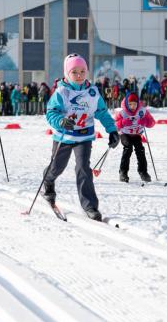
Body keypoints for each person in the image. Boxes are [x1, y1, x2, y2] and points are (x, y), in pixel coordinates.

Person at [41, 54, 119, 221]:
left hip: (84, 136)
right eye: (74, 72)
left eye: (82, 71)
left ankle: (90, 205)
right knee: (57, 167)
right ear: (67, 73)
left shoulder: (92, 92)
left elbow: (102, 112)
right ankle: (48, 181)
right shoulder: (62, 92)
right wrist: (61, 121)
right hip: (64, 136)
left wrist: (112, 130)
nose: (79, 75)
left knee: (83, 168)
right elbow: (51, 113)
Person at [114, 92, 155, 183]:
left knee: (140, 150)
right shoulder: (122, 112)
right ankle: (123, 172)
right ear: (126, 104)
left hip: (136, 135)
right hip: (125, 134)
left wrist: (145, 121)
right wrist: (123, 122)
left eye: (134, 104)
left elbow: (152, 123)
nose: (132, 106)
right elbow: (114, 126)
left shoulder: (142, 111)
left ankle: (143, 172)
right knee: (128, 148)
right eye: (130, 104)